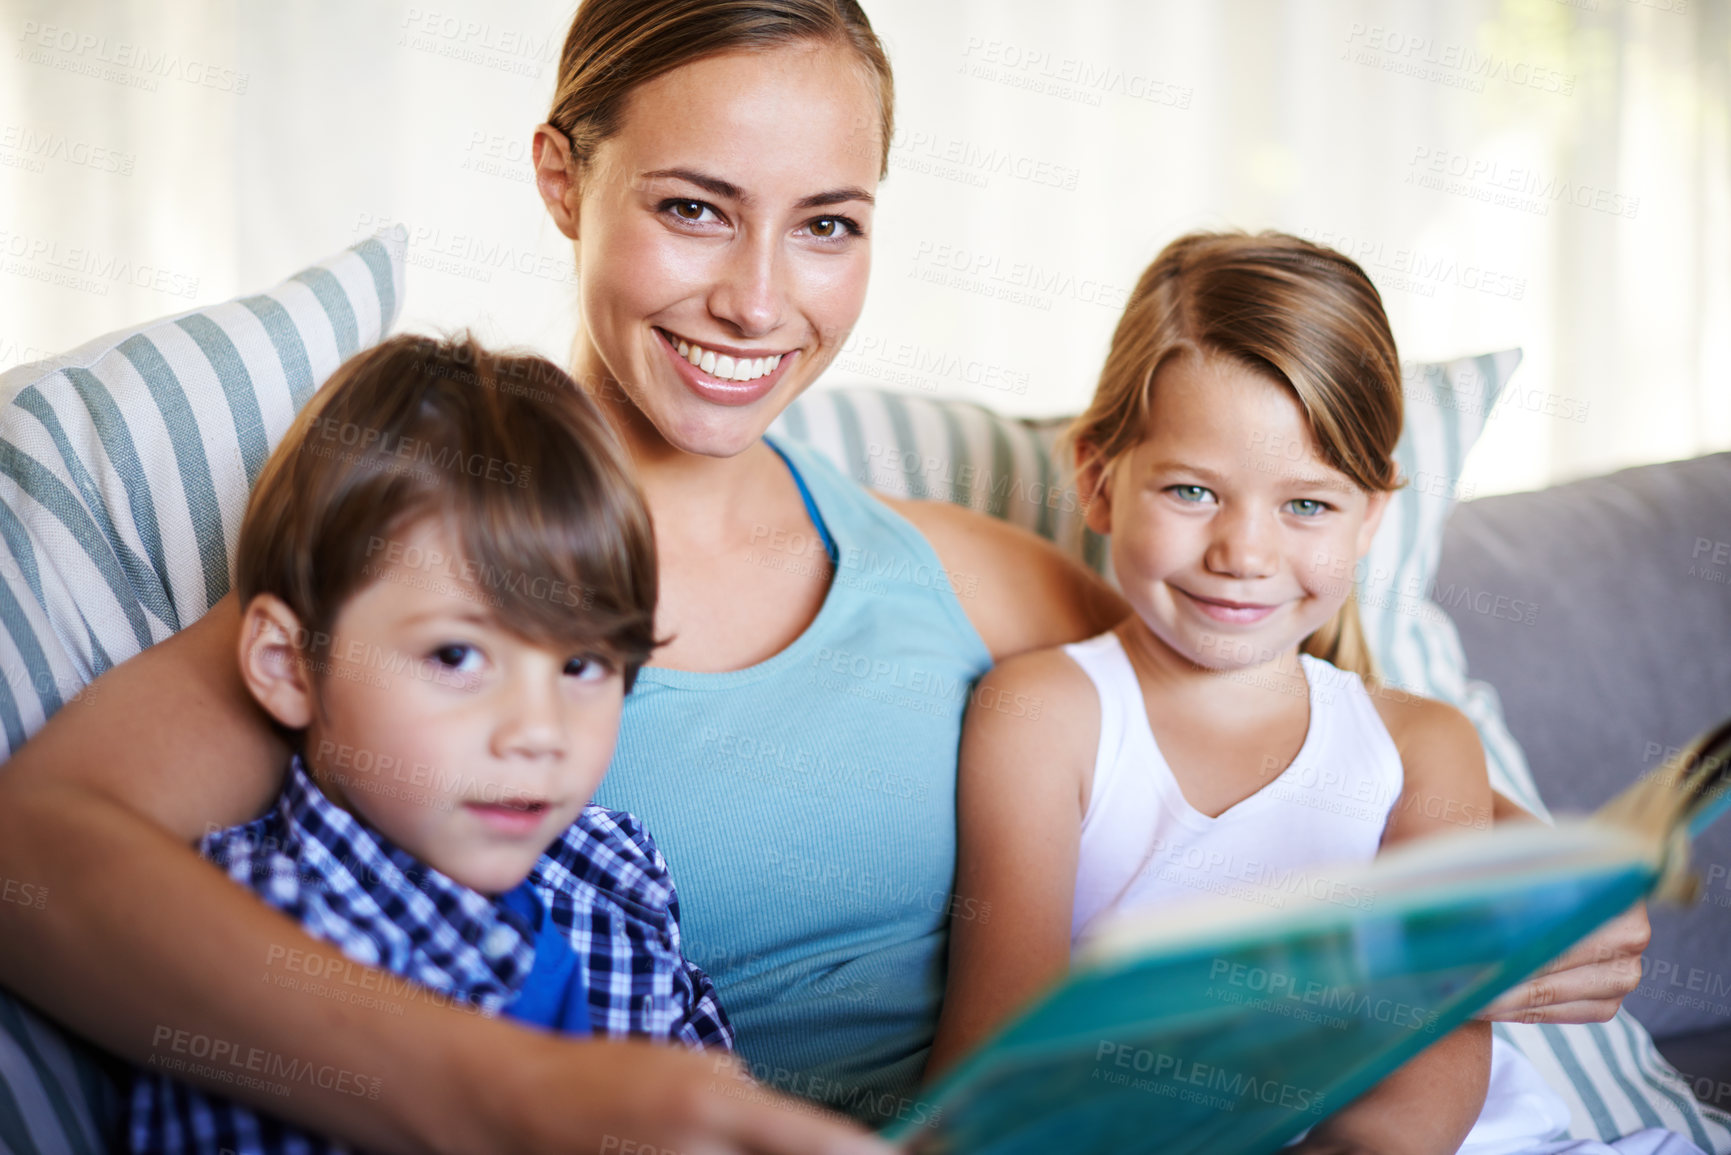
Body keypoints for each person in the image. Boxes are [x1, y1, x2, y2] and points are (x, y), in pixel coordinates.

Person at [0, 3, 1649, 1152]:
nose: (757, 300)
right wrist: (493, 1096)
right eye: (696, 210)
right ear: (562, 181)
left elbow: (1273, 702)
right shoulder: (449, 560)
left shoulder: (948, 572)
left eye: (829, 225)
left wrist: (1489, 883)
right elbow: (37, 858)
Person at [927, 231, 1690, 1155]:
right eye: (1191, 491)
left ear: (1370, 517)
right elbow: (988, 1072)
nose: (1243, 554)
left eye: (1306, 505)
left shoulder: (1423, 745)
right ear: (1097, 479)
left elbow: (1435, 1057)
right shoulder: (1042, 715)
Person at [126, 334, 731, 1153]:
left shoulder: (613, 872)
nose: (538, 731)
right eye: (457, 655)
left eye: (583, 662)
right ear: (290, 666)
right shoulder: (255, 944)